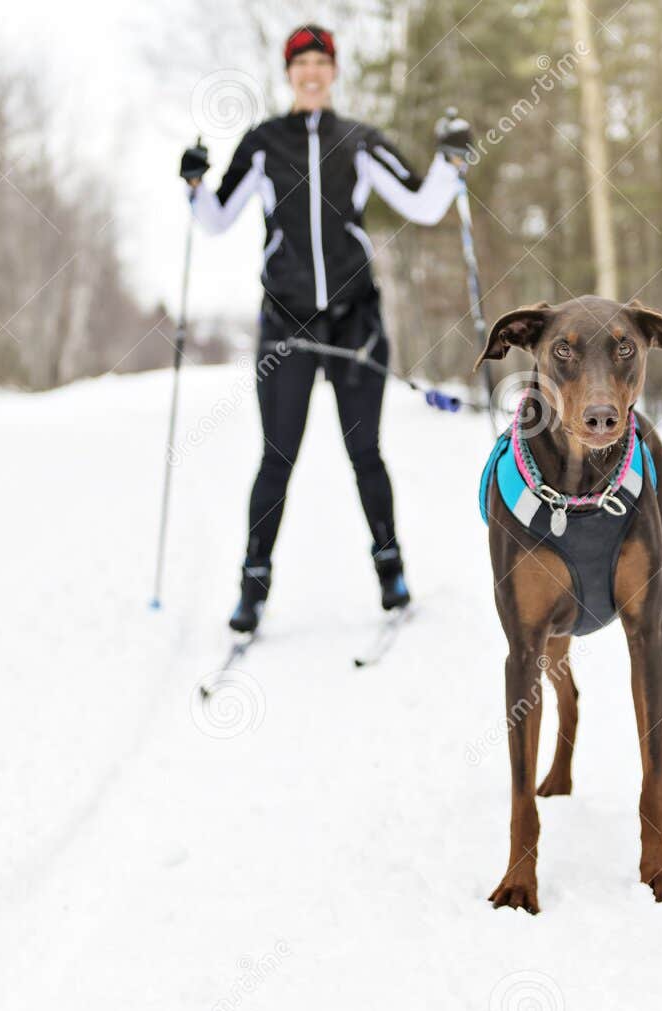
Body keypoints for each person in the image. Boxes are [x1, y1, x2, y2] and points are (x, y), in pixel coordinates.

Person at [181, 23, 472, 633]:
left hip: (355, 324)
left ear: (333, 71)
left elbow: (423, 203)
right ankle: (252, 588)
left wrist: (450, 161)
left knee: (365, 453)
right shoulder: (263, 144)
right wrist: (194, 183)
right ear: (289, 73)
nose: (311, 72)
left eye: (321, 62)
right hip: (285, 324)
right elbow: (215, 220)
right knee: (277, 457)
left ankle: (391, 572)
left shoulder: (360, 141)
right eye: (301, 63)